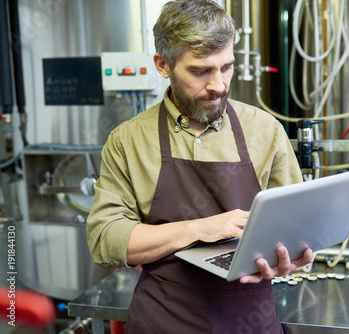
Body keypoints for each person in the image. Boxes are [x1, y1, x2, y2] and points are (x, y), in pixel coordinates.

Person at [86, 0, 314, 333]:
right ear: (163, 65)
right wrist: (200, 228)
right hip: (162, 320)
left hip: (251, 321)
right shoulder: (128, 140)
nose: (219, 85)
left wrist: (290, 257)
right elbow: (106, 240)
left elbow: (296, 224)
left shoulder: (265, 131)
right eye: (200, 70)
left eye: (226, 67)